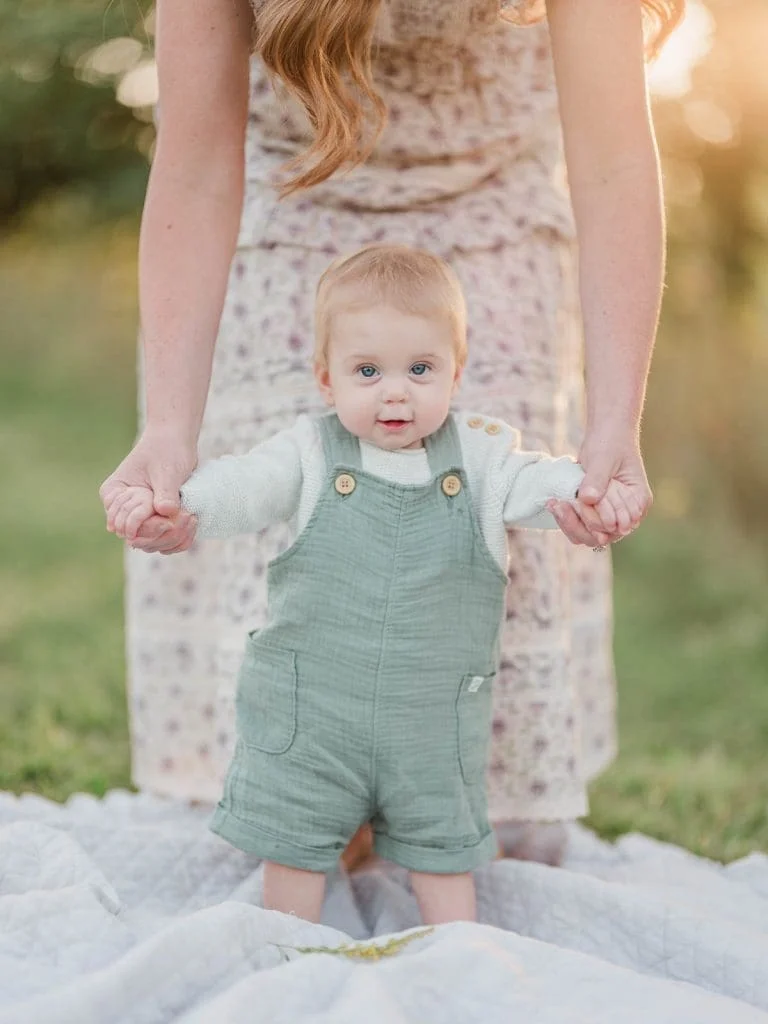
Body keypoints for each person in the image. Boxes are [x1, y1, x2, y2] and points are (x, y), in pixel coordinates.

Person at [101, 0, 678, 867]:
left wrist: (615, 425)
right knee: (299, 578)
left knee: (473, 557)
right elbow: (192, 170)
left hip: (489, 226)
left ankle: (444, 827)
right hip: (291, 217)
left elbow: (614, 164)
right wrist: (171, 429)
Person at [106, 245, 639, 923]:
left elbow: (540, 480)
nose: (396, 391)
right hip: (311, 715)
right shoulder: (308, 450)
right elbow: (241, 486)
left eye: (421, 369)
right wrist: (180, 504)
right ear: (326, 379)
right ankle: (284, 946)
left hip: (432, 723)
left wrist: (590, 494)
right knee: (292, 839)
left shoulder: (478, 458)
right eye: (368, 371)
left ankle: (457, 949)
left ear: (457, 370)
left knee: (442, 845)